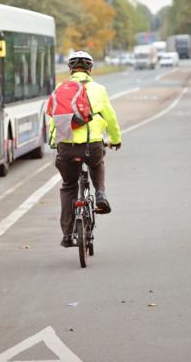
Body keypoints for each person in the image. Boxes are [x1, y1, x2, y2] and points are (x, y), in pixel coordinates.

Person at [50, 51, 122, 248]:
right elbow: (111, 118)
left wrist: (54, 141)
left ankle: (66, 235)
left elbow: (53, 118)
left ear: (70, 69)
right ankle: (100, 193)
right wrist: (115, 139)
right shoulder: (99, 89)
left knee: (68, 186)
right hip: (92, 145)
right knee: (97, 163)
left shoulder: (59, 88)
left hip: (66, 146)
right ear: (90, 69)